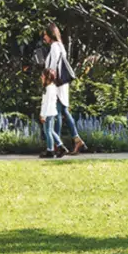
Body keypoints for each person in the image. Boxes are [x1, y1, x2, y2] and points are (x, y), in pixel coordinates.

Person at [43, 23, 87, 154]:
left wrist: (48, 81)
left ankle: (57, 145)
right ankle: (75, 140)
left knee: (55, 113)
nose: (44, 37)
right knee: (63, 112)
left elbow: (53, 67)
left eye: (45, 34)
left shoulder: (55, 47)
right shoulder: (60, 45)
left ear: (50, 34)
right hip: (62, 84)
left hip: (56, 85)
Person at [40, 68, 68, 158]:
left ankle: (50, 151)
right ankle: (61, 147)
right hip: (51, 112)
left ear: (47, 77)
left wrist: (43, 115)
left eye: (43, 75)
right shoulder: (52, 87)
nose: (41, 77)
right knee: (50, 131)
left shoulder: (48, 89)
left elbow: (46, 104)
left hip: (48, 113)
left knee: (47, 132)